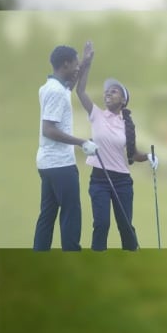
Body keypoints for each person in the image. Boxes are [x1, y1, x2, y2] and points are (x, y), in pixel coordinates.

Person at [75, 41, 158, 251]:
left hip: (122, 181)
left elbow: (133, 154)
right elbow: (81, 91)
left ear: (123, 100)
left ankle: (132, 253)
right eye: (107, 92)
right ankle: (97, 258)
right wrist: (87, 63)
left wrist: (148, 157)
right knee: (101, 224)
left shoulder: (127, 124)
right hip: (99, 179)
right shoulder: (96, 115)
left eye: (114, 91)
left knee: (125, 226)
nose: (108, 93)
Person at [33, 45, 98, 251]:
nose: (78, 66)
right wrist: (82, 142)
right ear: (66, 63)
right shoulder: (56, 92)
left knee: (48, 214)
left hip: (47, 163)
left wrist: (87, 61)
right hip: (60, 164)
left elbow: (71, 84)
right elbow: (48, 129)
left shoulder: (52, 87)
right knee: (71, 213)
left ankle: (40, 252)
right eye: (76, 62)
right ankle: (72, 251)